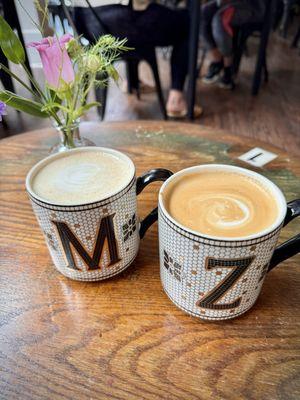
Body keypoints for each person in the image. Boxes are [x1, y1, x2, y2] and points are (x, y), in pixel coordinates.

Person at [72, 0, 202, 118]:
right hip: (122, 20)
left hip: (86, 22)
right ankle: (176, 99)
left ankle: (132, 83)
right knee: (188, 22)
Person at [201, 0, 266, 90]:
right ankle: (217, 59)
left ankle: (229, 67)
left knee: (221, 19)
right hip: (230, 3)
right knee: (203, 14)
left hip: (255, 6)